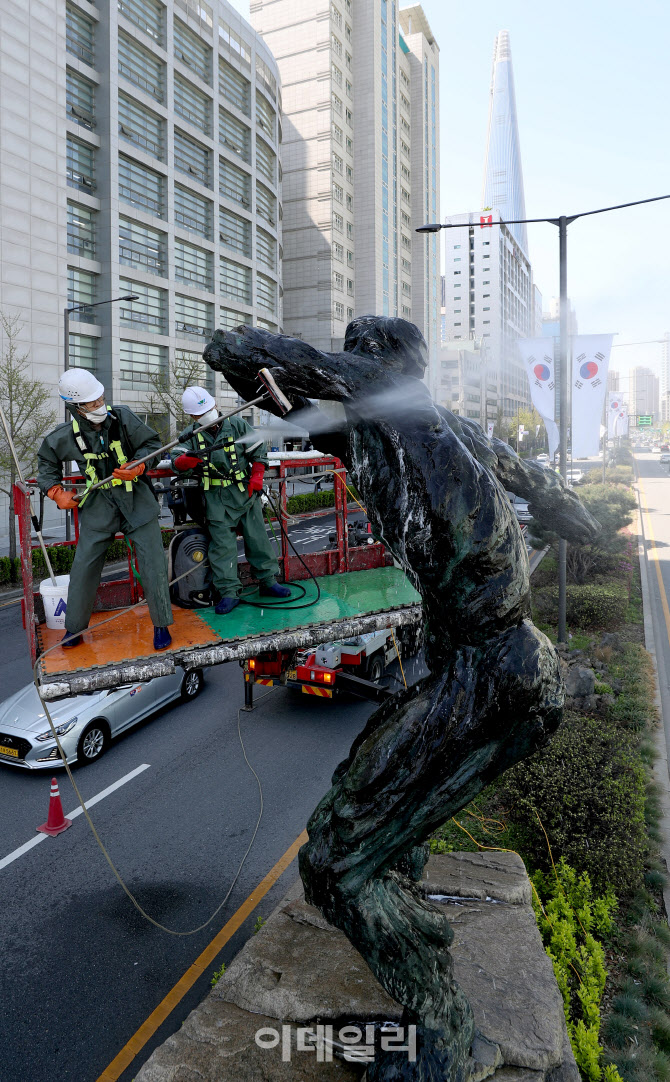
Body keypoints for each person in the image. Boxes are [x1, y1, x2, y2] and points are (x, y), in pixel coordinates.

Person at [37, 369, 173, 650]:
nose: (100, 405)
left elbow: (152, 445)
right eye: (92, 403)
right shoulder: (63, 437)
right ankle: (73, 629)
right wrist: (55, 491)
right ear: (76, 407)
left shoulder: (123, 418)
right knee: (84, 567)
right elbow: (46, 463)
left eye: (101, 399)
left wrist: (140, 465)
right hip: (98, 506)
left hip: (137, 502)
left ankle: (161, 625)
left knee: (153, 565)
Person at [172, 386, 290, 615]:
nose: (206, 416)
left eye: (208, 410)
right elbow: (176, 457)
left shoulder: (237, 425)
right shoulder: (190, 435)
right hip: (215, 500)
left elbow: (258, 451)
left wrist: (257, 476)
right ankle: (228, 592)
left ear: (215, 404)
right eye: (200, 414)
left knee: (258, 539)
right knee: (222, 547)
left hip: (245, 493)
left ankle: (268, 581)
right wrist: (184, 462)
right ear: (192, 417)